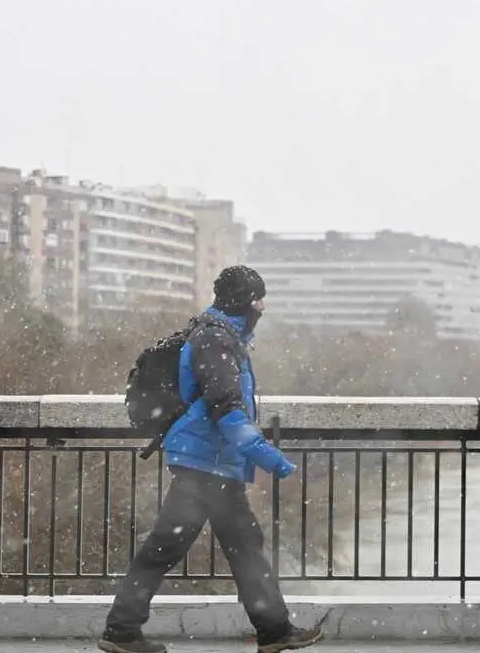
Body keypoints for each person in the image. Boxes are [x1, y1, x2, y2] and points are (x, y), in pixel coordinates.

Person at [100, 265, 322, 653]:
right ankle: (122, 631)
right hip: (206, 463)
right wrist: (269, 457)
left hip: (211, 462)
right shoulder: (216, 340)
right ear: (244, 301)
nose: (263, 308)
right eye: (259, 299)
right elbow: (227, 408)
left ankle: (273, 630)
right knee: (175, 547)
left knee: (238, 545)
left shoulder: (220, 335)